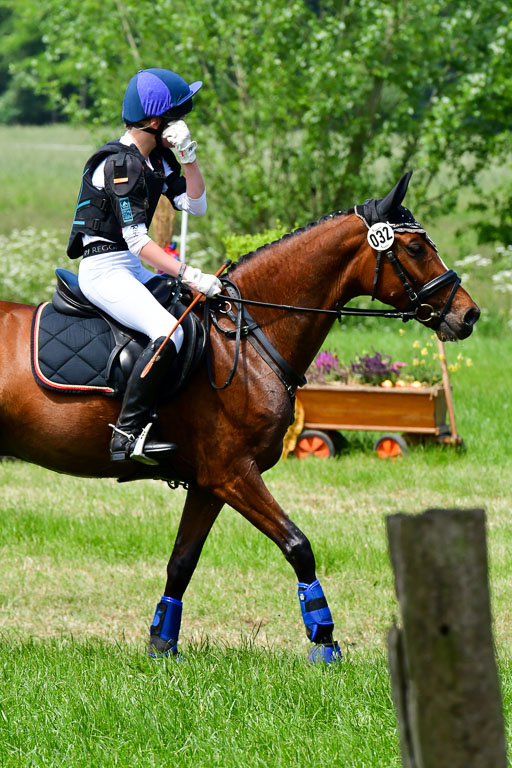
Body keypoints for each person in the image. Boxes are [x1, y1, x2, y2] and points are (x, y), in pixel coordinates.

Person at [67, 67, 222, 466]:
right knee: (167, 333)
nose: (182, 121)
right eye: (177, 114)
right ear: (156, 122)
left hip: (129, 268)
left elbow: (197, 205)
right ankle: (127, 434)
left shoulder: (158, 161)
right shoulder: (122, 165)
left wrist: (189, 158)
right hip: (104, 269)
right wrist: (189, 274)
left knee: (190, 319)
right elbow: (137, 242)